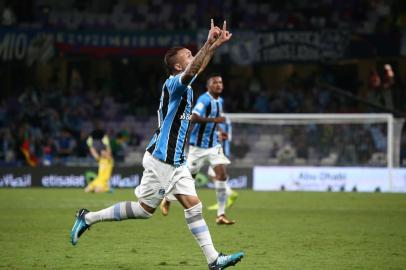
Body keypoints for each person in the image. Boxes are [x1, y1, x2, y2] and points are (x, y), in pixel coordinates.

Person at [70, 20, 244, 270]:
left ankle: (214, 260)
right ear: (177, 66)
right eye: (187, 55)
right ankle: (87, 218)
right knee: (144, 210)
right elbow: (195, 70)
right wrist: (208, 43)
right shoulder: (173, 83)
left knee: (194, 206)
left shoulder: (185, 81)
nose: (192, 56)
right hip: (162, 159)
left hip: (177, 160)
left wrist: (213, 46)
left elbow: (197, 67)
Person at [160, 74, 238, 225]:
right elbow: (193, 117)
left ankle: (220, 215)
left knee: (221, 176)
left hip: (214, 146)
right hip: (198, 148)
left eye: (221, 82)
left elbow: (216, 119)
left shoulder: (220, 101)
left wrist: (220, 131)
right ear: (208, 86)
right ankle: (168, 198)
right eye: (215, 82)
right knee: (187, 180)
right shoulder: (204, 99)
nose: (219, 85)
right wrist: (215, 120)